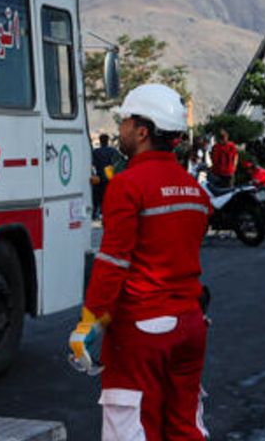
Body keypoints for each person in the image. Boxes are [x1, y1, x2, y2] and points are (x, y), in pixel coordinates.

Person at [71, 84, 212, 441]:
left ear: (142, 130)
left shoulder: (128, 185)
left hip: (143, 329)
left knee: (131, 427)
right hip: (191, 324)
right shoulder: (194, 189)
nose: (120, 130)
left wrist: (90, 321)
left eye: (125, 122)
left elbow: (112, 263)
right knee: (185, 426)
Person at [92, 134, 124, 219]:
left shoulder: (95, 152)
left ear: (100, 141)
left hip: (99, 178)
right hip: (110, 178)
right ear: (107, 140)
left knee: (98, 197)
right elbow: (119, 162)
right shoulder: (113, 151)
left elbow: (92, 163)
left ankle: (95, 213)